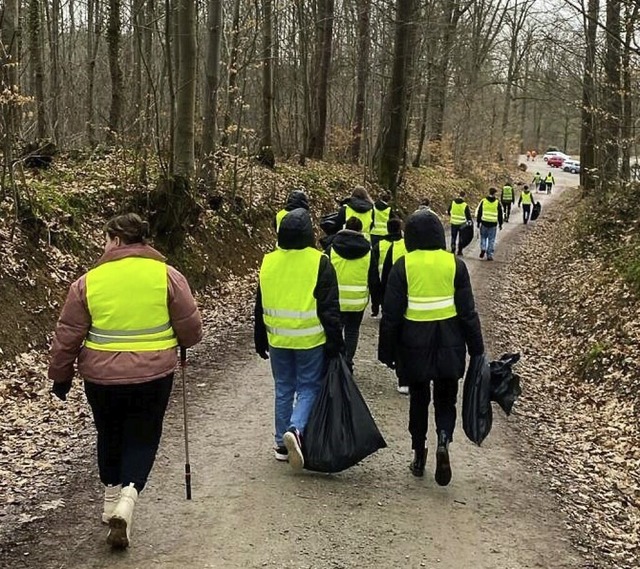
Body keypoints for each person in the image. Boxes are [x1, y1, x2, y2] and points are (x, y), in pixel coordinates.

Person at [48, 213, 203, 549]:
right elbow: (191, 330)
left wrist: (60, 376)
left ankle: (109, 501)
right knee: (143, 435)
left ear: (116, 240)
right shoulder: (167, 277)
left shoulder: (89, 282)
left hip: (101, 379)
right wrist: (183, 341)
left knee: (110, 432)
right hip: (153, 376)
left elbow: (68, 335)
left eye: (106, 239)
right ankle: (128, 497)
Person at [378, 210, 484, 486]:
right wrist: (477, 348)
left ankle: (418, 452)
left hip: (414, 346)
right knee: (446, 400)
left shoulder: (403, 266)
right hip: (450, 344)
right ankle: (444, 441)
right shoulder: (454, 265)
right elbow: (468, 312)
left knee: (419, 400)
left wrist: (386, 351)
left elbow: (391, 315)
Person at [254, 208, 344, 470]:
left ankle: (281, 445)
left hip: (278, 338)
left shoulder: (268, 261)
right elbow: (329, 308)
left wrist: (259, 338)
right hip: (309, 339)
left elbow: (259, 304)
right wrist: (336, 343)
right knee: (308, 387)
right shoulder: (320, 261)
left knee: (283, 386)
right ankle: (296, 429)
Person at [324, 217, 376, 369]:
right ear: (360, 231)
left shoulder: (331, 249)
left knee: (336, 330)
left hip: (336, 300)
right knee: (352, 332)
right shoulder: (368, 252)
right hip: (357, 301)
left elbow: (323, 275)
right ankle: (348, 361)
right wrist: (376, 301)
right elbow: (373, 278)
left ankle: (335, 361)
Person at [371, 218, 406, 319]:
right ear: (400, 229)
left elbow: (373, 267)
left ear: (387, 229)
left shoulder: (380, 245)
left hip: (383, 279)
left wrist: (375, 303)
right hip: (401, 279)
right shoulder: (406, 244)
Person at [476, 187, 504, 261]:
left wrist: (478, 222)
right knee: (491, 239)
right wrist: (501, 224)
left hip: (484, 222)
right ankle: (489, 255)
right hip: (493, 224)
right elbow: (500, 214)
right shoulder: (497, 203)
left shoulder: (484, 201)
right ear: (494, 193)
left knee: (483, 237)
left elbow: (479, 212)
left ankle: (483, 248)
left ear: (489, 192)